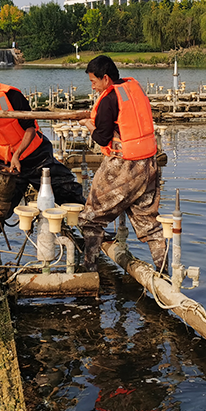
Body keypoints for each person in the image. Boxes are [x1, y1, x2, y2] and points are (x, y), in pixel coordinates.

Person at [78, 55, 166, 272]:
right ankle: (164, 273)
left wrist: (88, 125)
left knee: (90, 218)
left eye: (94, 82)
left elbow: (101, 137)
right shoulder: (133, 89)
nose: (93, 87)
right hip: (148, 164)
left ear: (105, 78)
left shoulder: (109, 99)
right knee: (149, 224)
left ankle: (89, 269)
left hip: (124, 166)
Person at [0, 73, 84, 216]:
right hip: (5, 166)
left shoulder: (12, 96)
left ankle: (87, 226)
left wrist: (17, 155)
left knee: (67, 190)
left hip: (35, 156)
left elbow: (30, 128)